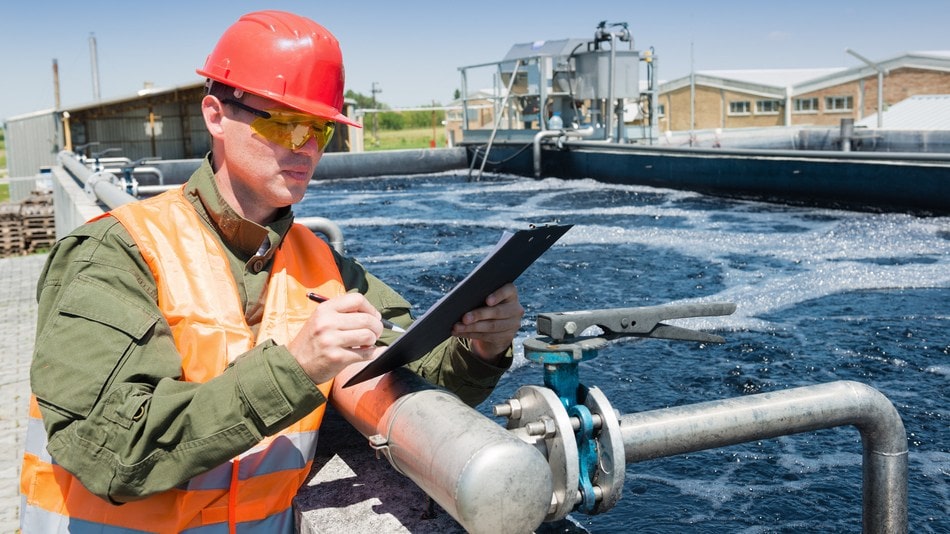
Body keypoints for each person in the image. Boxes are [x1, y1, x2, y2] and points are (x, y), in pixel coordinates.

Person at [20, 10, 523, 533]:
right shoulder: (114, 252)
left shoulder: (323, 263)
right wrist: (298, 367)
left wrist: (480, 347)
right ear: (215, 115)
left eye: (321, 130)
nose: (306, 147)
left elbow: (412, 378)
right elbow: (109, 449)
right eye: (284, 122)